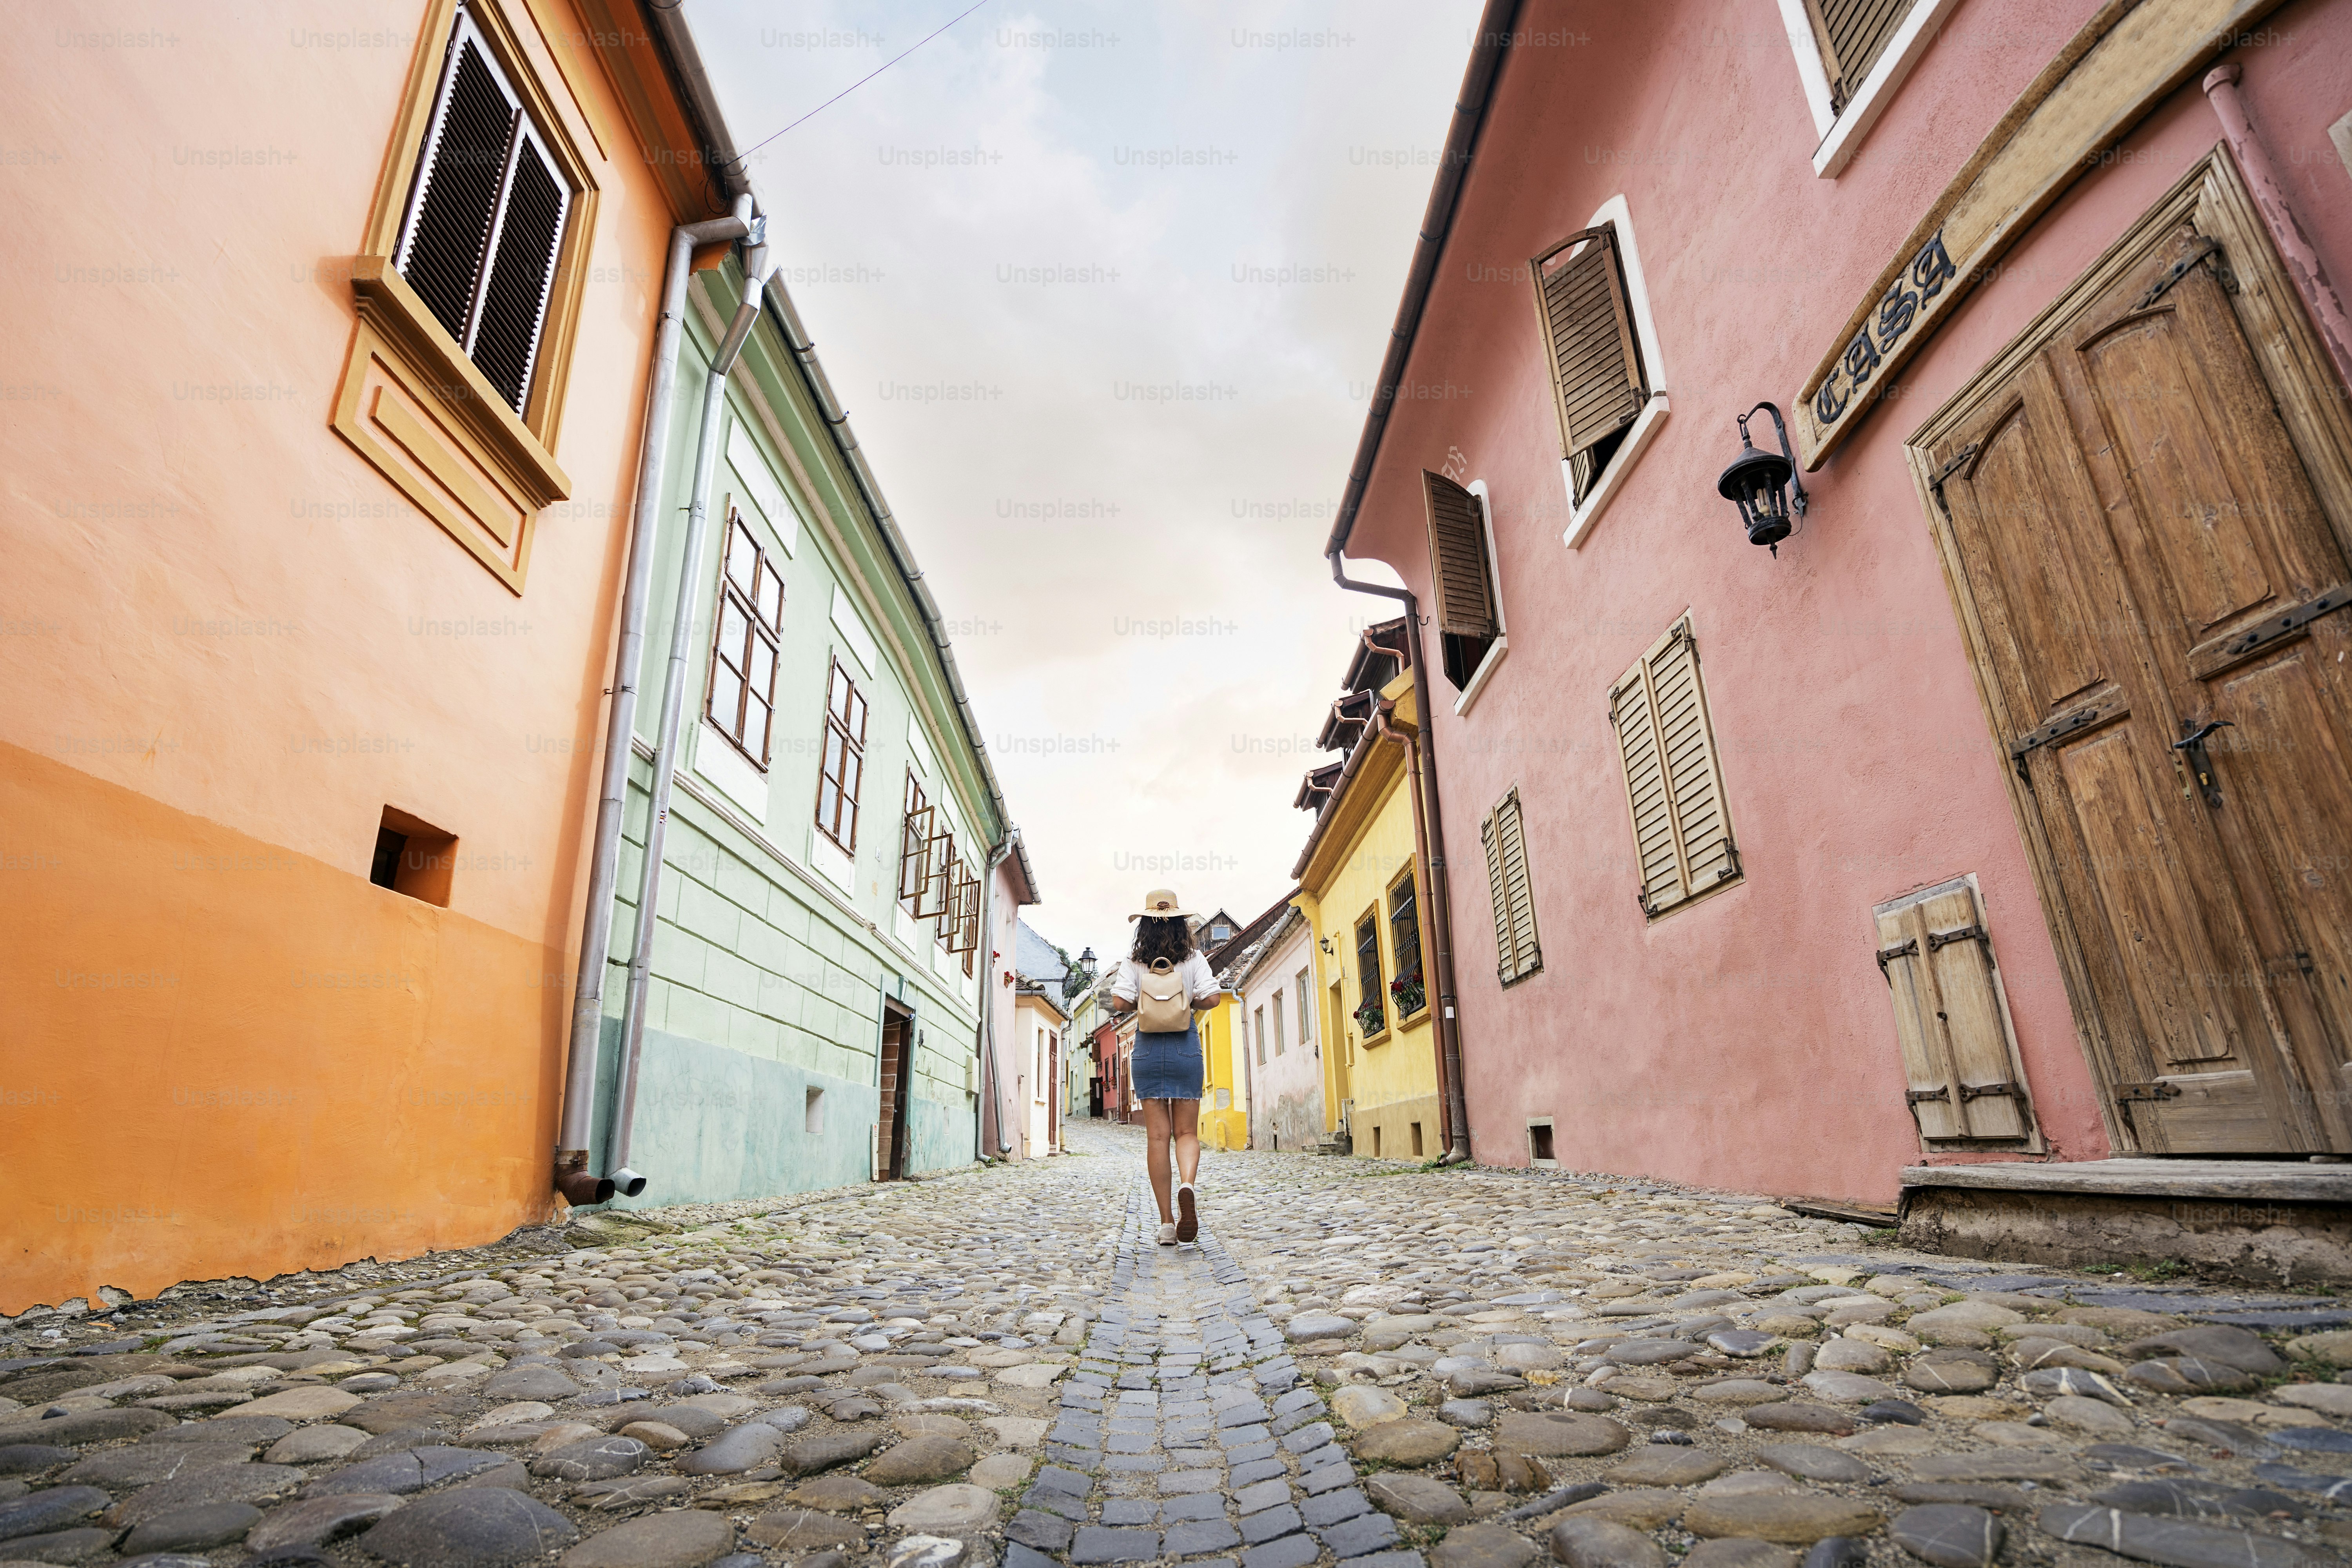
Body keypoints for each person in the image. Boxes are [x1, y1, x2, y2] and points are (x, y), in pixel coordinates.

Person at [1102, 888, 1222, 1246]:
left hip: (1148, 1051)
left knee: (1157, 1137)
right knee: (1186, 1133)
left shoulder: (1134, 962)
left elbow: (1120, 1001)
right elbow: (1214, 998)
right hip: (1185, 1047)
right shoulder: (1195, 959)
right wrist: (1185, 997)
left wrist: (1147, 996)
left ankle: (1168, 1224)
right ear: (1180, 924)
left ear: (1144, 927)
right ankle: (1188, 1184)